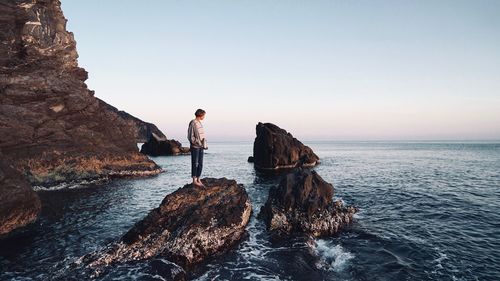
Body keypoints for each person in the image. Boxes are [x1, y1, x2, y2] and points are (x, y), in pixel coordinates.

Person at [187, 109, 208, 187]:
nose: (204, 117)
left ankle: (198, 178)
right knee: (195, 163)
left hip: (201, 147)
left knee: (200, 163)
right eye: (204, 115)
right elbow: (190, 136)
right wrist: (198, 142)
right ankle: (194, 180)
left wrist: (203, 143)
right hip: (195, 146)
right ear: (200, 115)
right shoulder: (193, 123)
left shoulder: (199, 123)